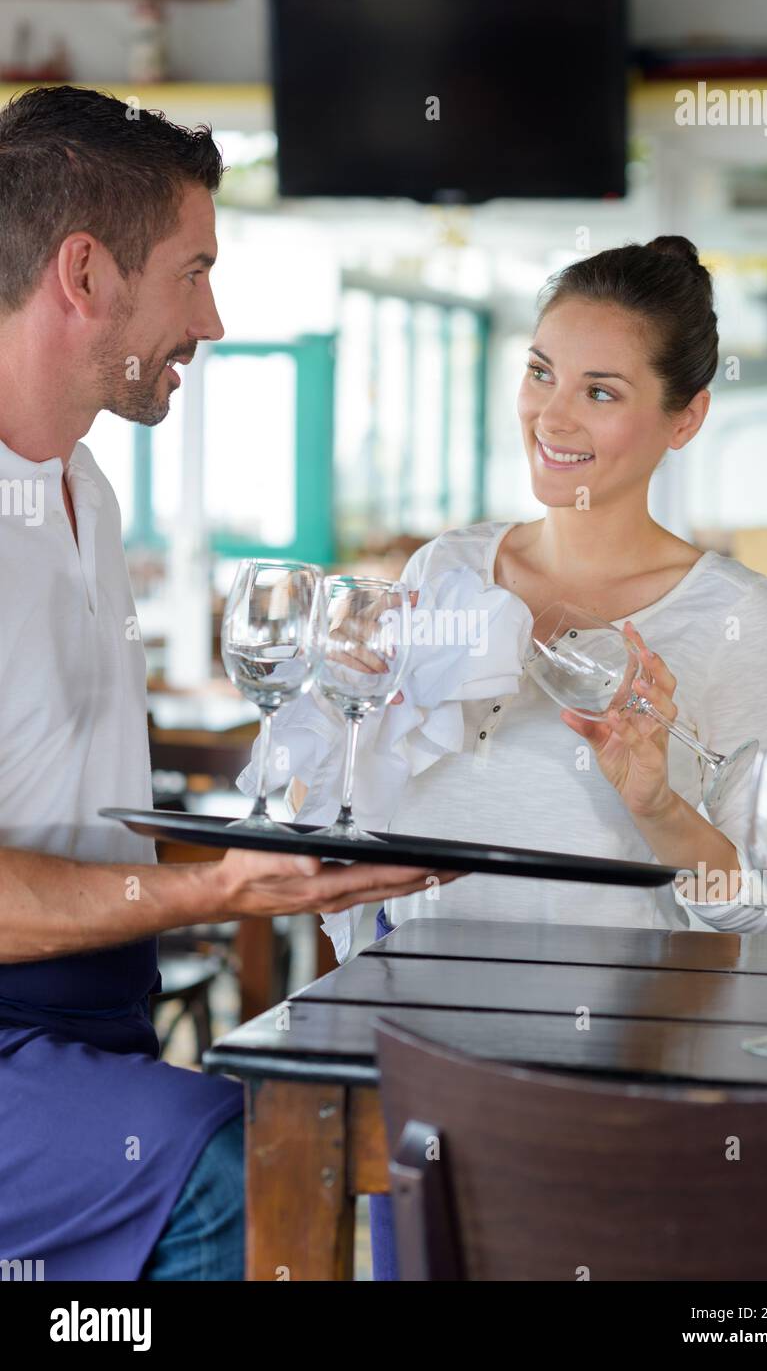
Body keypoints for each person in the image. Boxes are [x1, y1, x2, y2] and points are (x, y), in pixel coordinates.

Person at [262, 237, 767, 1279]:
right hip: (417, 1067)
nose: (551, 417)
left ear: (684, 417)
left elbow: (759, 904)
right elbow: (337, 818)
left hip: (617, 1090)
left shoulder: (731, 617)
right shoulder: (446, 570)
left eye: (600, 390)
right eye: (541, 371)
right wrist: (338, 701)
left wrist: (654, 802)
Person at [0, 85, 451, 1282]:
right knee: (229, 1171)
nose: (213, 314)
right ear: (84, 273)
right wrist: (232, 888)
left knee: (365, 1131)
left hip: (89, 1016)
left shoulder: (79, 487)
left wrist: (281, 845)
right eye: (192, 269)